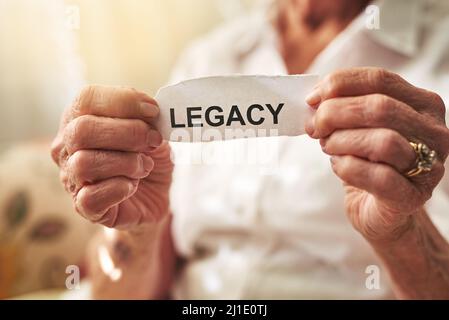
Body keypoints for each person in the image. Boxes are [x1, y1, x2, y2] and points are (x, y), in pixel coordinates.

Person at [50, 0, 449, 299]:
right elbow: (129, 284)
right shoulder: (209, 55)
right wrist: (139, 232)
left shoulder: (439, 55)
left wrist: (402, 232)